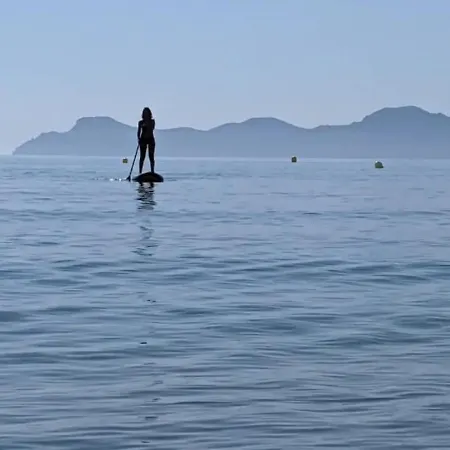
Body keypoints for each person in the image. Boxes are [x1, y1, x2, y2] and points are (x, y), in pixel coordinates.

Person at [137, 107, 156, 173]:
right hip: (143, 140)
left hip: (151, 139)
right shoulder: (140, 122)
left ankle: (152, 171)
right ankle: (140, 172)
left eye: (147, 113)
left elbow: (152, 128)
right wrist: (139, 139)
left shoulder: (152, 121)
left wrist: (146, 126)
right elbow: (138, 132)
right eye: (144, 113)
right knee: (142, 157)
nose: (146, 115)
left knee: (151, 156)